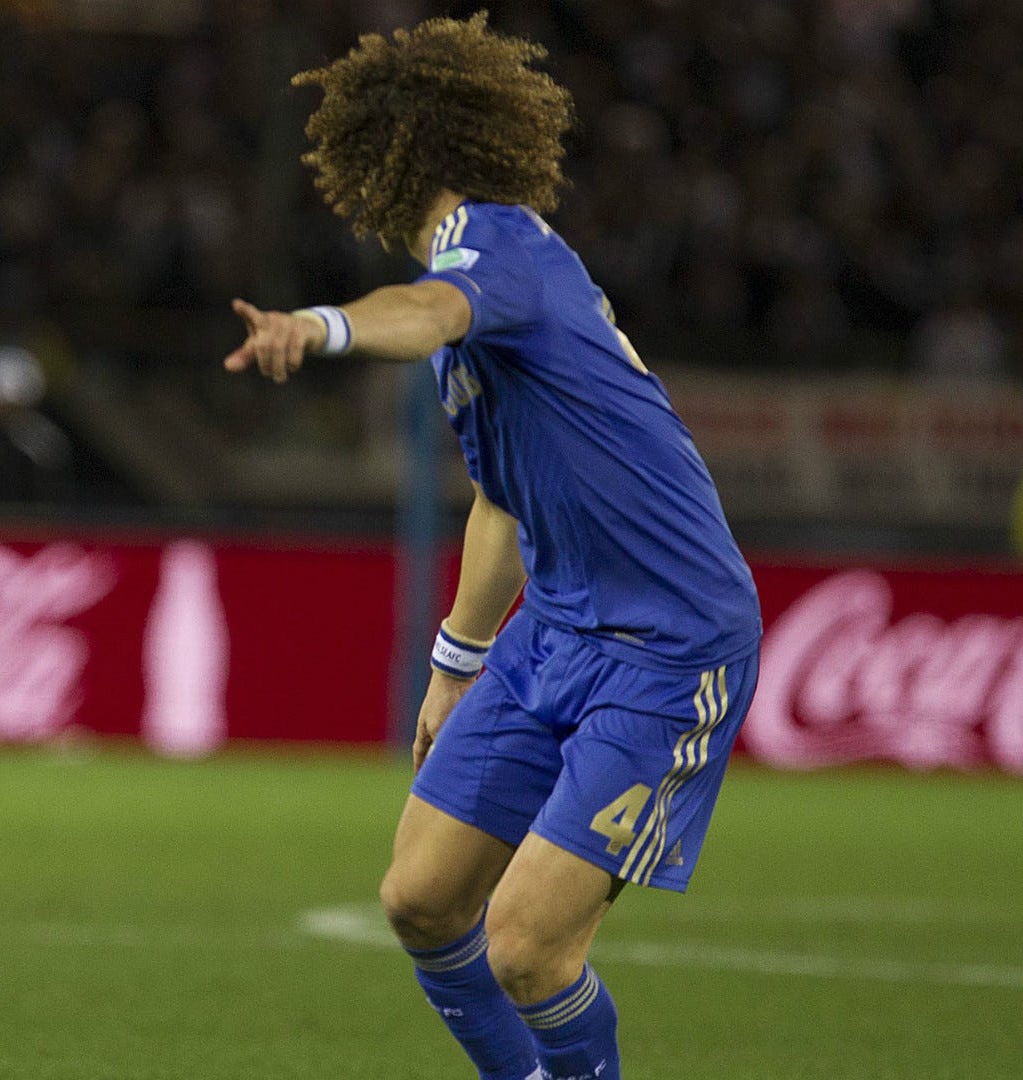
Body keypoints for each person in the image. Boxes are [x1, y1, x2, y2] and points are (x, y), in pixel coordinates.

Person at [225, 18, 762, 1080]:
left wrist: (321, 328)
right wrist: (454, 666)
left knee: (527, 948)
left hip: (669, 644)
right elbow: (501, 503)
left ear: (387, 157)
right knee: (421, 899)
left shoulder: (497, 243)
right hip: (554, 629)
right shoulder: (501, 302)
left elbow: (424, 309)